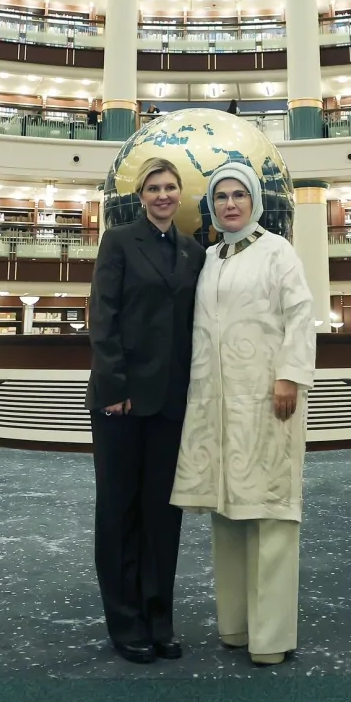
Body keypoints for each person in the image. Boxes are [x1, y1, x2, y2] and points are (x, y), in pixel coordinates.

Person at [171, 162, 316, 666]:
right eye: (221, 197)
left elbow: (300, 315)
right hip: (216, 404)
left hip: (269, 399)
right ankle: (234, 627)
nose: (230, 204)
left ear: (255, 200)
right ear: (211, 205)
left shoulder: (279, 251)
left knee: (271, 511)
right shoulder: (208, 256)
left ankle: (271, 638)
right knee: (228, 511)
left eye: (239, 195)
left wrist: (289, 376)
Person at [85, 158, 206, 664]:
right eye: (153, 188)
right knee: (119, 511)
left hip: (172, 403)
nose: (162, 195)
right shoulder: (118, 242)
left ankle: (160, 619)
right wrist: (114, 385)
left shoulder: (194, 253)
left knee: (163, 515)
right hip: (122, 400)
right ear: (141, 196)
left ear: (181, 196)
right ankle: (126, 623)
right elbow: (103, 315)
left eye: (169, 188)